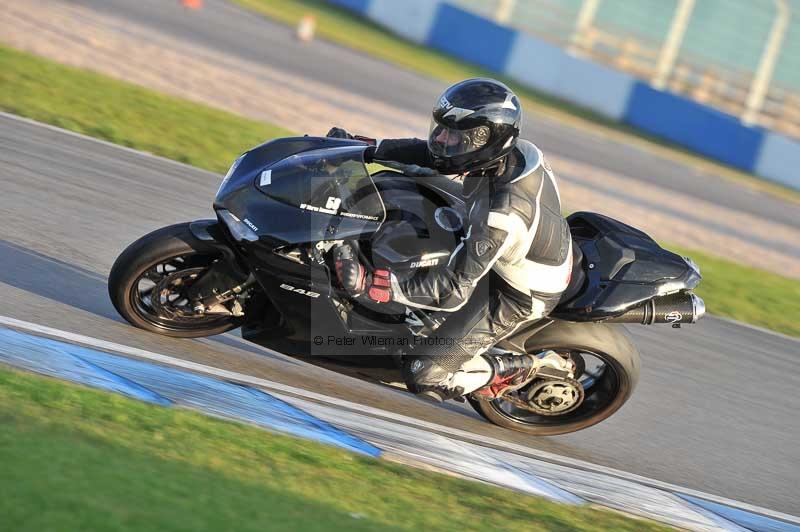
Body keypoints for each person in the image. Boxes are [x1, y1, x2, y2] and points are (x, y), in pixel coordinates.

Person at [329, 78, 575, 402]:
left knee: (423, 374)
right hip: (498, 238)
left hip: (514, 292)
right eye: (442, 128)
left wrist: (369, 282)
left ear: (487, 141)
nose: (441, 138)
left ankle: (523, 365)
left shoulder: (500, 215)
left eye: (455, 136)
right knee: (398, 190)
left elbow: (453, 290)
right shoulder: (511, 154)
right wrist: (364, 149)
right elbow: (432, 157)